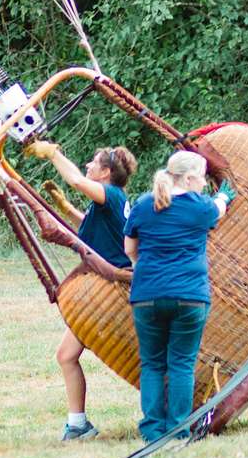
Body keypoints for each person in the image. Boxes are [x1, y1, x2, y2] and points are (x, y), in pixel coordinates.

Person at [23, 140, 139, 441]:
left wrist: (53, 154)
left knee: (69, 355)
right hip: (107, 287)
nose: (87, 165)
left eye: (93, 162)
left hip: (108, 290)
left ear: (105, 173)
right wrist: (64, 208)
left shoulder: (110, 195)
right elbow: (87, 224)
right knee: (66, 355)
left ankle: (78, 426)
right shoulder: (110, 201)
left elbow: (75, 179)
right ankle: (77, 425)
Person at [123, 150, 231, 442]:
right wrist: (225, 196)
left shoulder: (144, 204)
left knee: (152, 364)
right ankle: (179, 427)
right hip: (190, 296)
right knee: (182, 363)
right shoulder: (200, 206)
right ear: (188, 177)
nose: (205, 184)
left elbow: (129, 250)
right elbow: (219, 208)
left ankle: (152, 429)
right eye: (202, 176)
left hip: (147, 295)